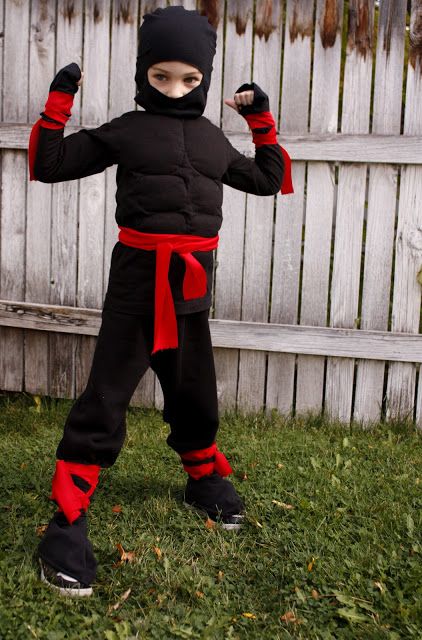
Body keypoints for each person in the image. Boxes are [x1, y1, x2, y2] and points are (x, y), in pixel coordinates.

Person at [28, 5, 293, 597]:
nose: (176, 89)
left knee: (194, 388)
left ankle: (203, 479)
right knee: (106, 396)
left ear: (205, 77)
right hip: (137, 285)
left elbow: (268, 178)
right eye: (163, 77)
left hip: (194, 285)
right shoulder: (126, 129)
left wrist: (261, 119)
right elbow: (48, 165)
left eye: (191, 79)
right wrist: (58, 100)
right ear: (144, 73)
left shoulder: (210, 138)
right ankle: (67, 520)